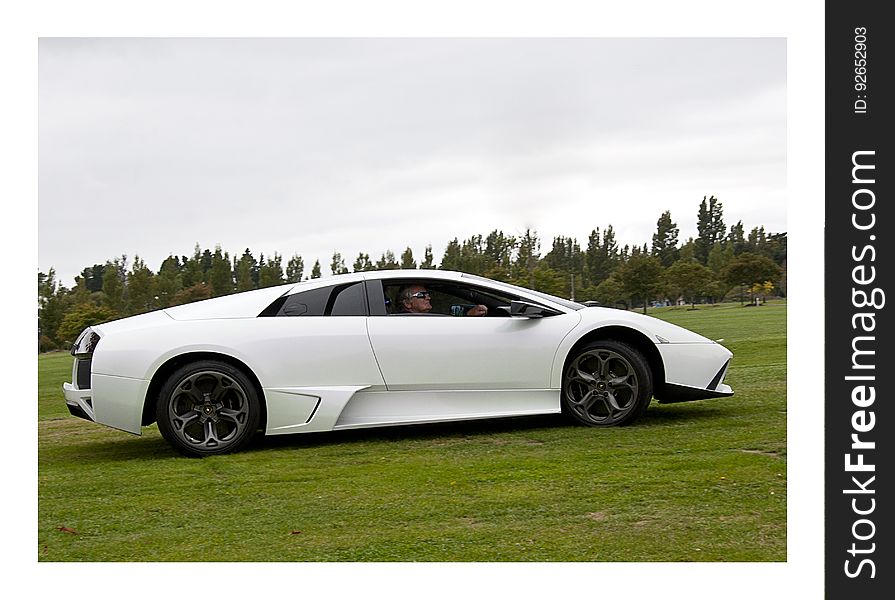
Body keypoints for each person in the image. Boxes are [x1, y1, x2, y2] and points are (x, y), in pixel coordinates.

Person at [398, 284, 488, 316]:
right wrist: (468, 315)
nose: (428, 298)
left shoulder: (420, 319)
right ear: (407, 303)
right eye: (422, 295)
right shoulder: (407, 322)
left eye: (428, 294)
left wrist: (468, 314)